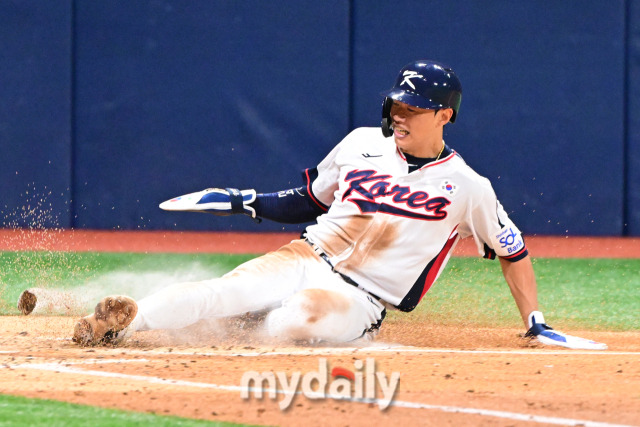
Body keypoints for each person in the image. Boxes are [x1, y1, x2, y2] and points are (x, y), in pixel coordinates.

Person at [61, 60, 606, 349]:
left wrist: (534, 320)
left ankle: (255, 320)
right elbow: (306, 202)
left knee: (294, 322)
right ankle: (115, 327)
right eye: (397, 102)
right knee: (219, 290)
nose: (400, 113)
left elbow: (513, 251)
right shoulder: (360, 142)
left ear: (445, 116)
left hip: (365, 298)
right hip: (305, 255)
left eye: (414, 107)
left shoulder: (469, 186)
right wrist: (242, 202)